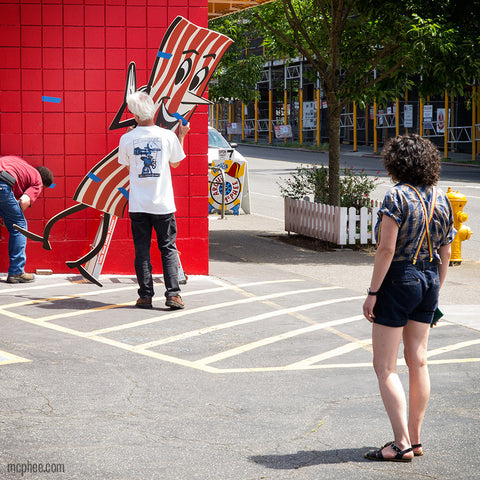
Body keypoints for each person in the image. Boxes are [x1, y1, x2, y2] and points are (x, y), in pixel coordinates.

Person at [362, 134, 455, 462]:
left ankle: (400, 444)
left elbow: (386, 248)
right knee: (418, 360)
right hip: (430, 279)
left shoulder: (396, 197)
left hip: (400, 278)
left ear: (396, 163)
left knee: (385, 366)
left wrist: (373, 292)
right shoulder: (441, 199)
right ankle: (414, 439)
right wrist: (435, 289)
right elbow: (446, 252)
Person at [118, 91, 189, 310]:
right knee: (167, 248)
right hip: (163, 204)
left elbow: (129, 166)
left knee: (142, 250)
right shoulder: (167, 136)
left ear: (136, 115)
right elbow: (176, 164)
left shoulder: (127, 138)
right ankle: (173, 295)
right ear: (152, 110)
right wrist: (182, 135)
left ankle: (145, 295)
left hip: (139, 204)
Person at [0, 156, 53, 283]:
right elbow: (24, 201)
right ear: (44, 184)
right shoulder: (38, 181)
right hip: (2, 184)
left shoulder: (21, 164)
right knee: (20, 226)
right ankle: (17, 272)